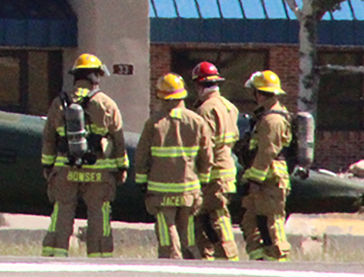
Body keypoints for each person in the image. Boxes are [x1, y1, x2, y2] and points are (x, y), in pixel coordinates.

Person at [40, 53, 128, 257]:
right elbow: (118, 140)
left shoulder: (59, 102)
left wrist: (48, 166)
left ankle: (54, 253)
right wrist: (121, 168)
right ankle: (100, 256)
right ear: (95, 77)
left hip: (65, 169)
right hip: (98, 173)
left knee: (62, 212)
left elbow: (48, 138)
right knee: (99, 213)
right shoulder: (107, 104)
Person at [136, 73, 212, 259]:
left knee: (166, 229)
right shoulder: (197, 121)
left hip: (161, 191)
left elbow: (141, 156)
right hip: (188, 189)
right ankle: (190, 260)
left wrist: (141, 181)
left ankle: (171, 261)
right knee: (187, 230)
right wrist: (202, 182)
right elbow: (207, 156)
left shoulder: (154, 123)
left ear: (161, 96)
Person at [240, 69, 293, 261]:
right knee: (250, 223)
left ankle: (277, 262)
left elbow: (267, 151)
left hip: (270, 179)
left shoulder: (273, 120)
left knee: (271, 223)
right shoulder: (265, 116)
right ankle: (260, 262)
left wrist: (255, 178)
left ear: (259, 93)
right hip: (262, 179)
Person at [191, 61, 241, 260]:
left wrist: (200, 174)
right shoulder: (230, 107)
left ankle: (228, 257)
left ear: (199, 85)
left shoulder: (205, 110)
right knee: (210, 218)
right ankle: (212, 257)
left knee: (217, 218)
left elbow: (205, 147)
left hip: (213, 174)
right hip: (228, 170)